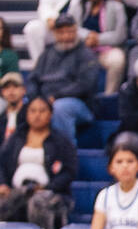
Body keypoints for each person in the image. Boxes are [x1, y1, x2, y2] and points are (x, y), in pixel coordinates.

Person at [0, 95, 77, 229]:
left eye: (42, 111)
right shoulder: (17, 137)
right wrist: (3, 184)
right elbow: (2, 163)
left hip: (50, 192)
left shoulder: (60, 140)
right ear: (27, 113)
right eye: (33, 111)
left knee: (37, 202)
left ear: (51, 114)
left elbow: (69, 171)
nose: (37, 115)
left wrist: (47, 187)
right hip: (16, 190)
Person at [28, 14, 98, 143]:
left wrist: (57, 96)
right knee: (23, 103)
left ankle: (65, 155)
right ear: (55, 33)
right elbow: (33, 79)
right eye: (61, 32)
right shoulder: (47, 53)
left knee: (61, 108)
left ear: (76, 31)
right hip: (45, 99)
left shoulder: (85, 54)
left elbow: (85, 84)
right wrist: (35, 99)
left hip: (77, 103)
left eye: (69, 32)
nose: (66, 36)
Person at [70, 0, 128, 93]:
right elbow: (72, 28)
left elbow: (120, 34)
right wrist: (87, 36)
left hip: (106, 50)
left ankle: (109, 95)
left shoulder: (116, 7)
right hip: (83, 49)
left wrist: (98, 39)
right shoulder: (78, 7)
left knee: (117, 59)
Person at [0, 72, 26, 139]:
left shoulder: (29, 116)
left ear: (24, 90)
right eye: (7, 87)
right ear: (2, 92)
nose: (11, 91)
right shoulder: (2, 117)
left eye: (15, 86)